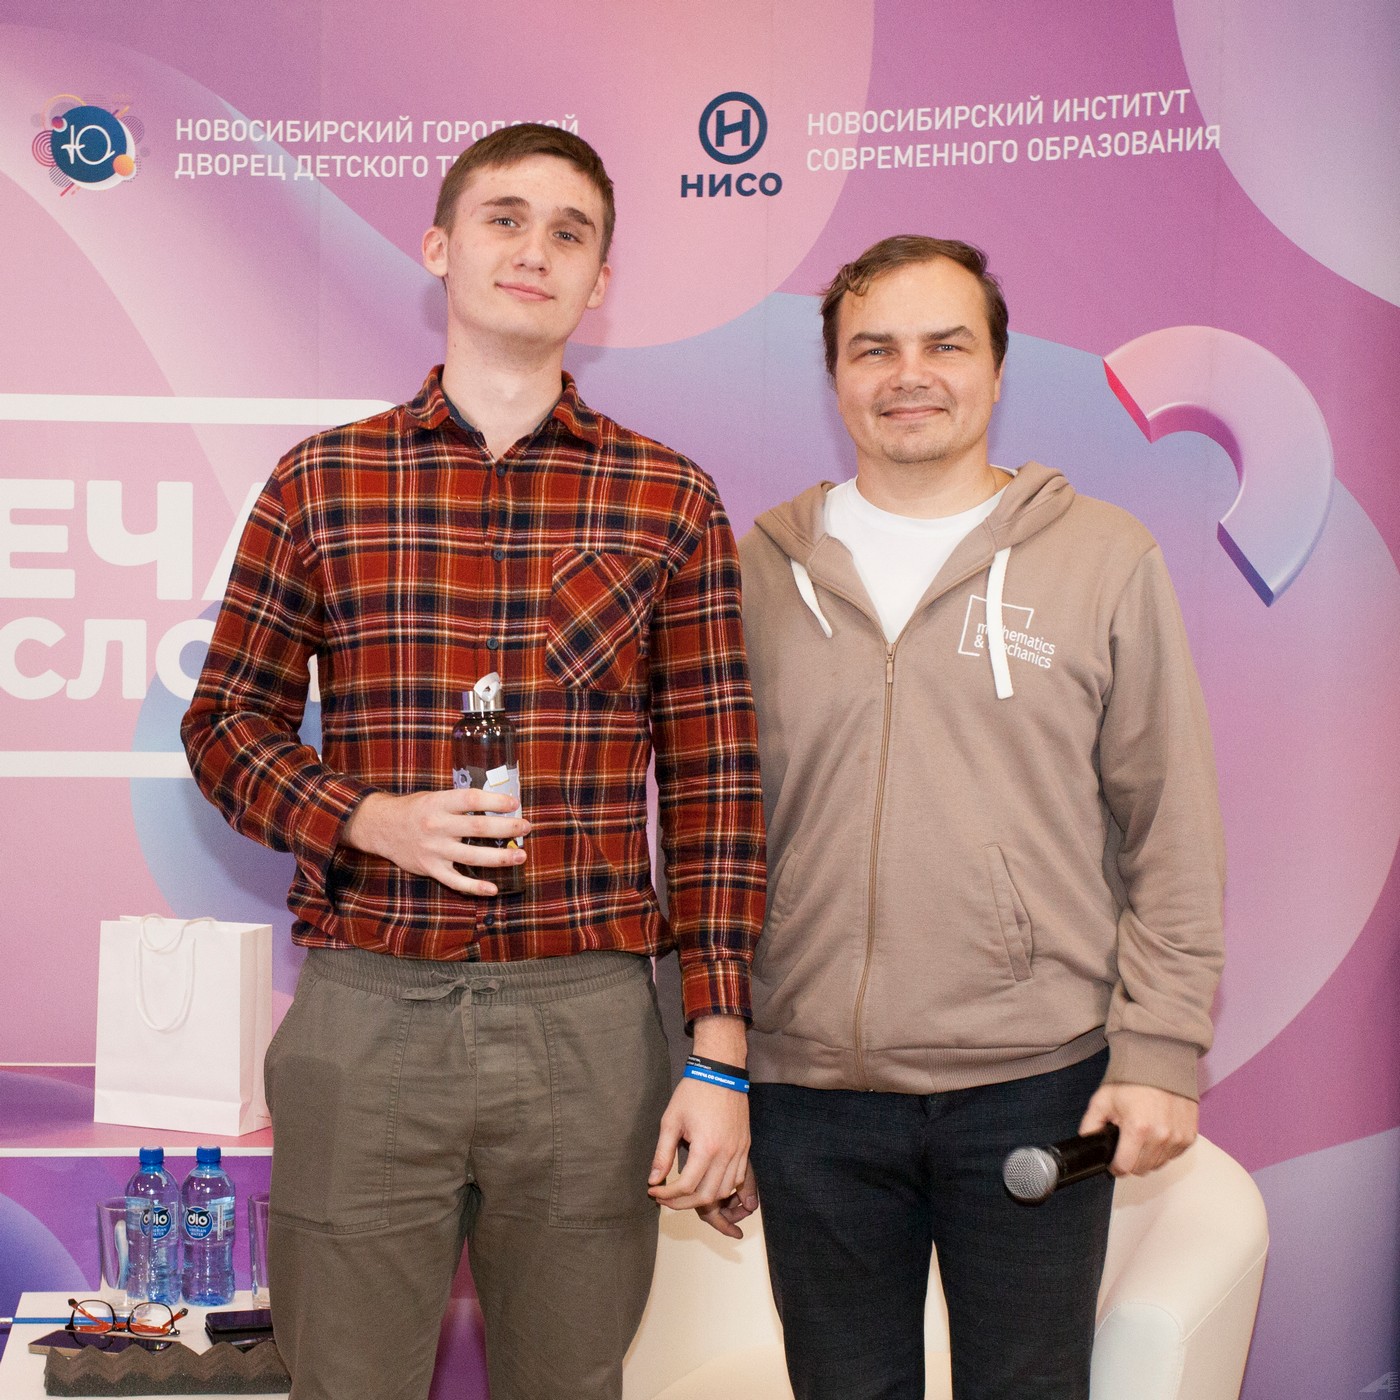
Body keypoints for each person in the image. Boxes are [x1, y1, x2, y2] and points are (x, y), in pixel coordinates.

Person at [181, 124, 765, 1400]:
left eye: (569, 232)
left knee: (571, 1382)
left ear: (599, 281)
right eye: (504, 217)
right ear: (440, 246)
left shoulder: (668, 498)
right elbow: (223, 725)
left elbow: (716, 792)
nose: (533, 249)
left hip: (589, 1023)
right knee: (344, 1382)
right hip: (367, 1008)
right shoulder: (322, 480)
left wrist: (717, 1053)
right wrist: (365, 815)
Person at [734, 235, 1225, 1400]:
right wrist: (700, 1061)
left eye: (944, 344)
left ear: (996, 370)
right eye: (872, 348)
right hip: (808, 1096)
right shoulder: (758, 568)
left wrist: (1160, 1048)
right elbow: (709, 828)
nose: (908, 373)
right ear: (835, 376)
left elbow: (1168, 822)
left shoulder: (1101, 556)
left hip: (1037, 1082)